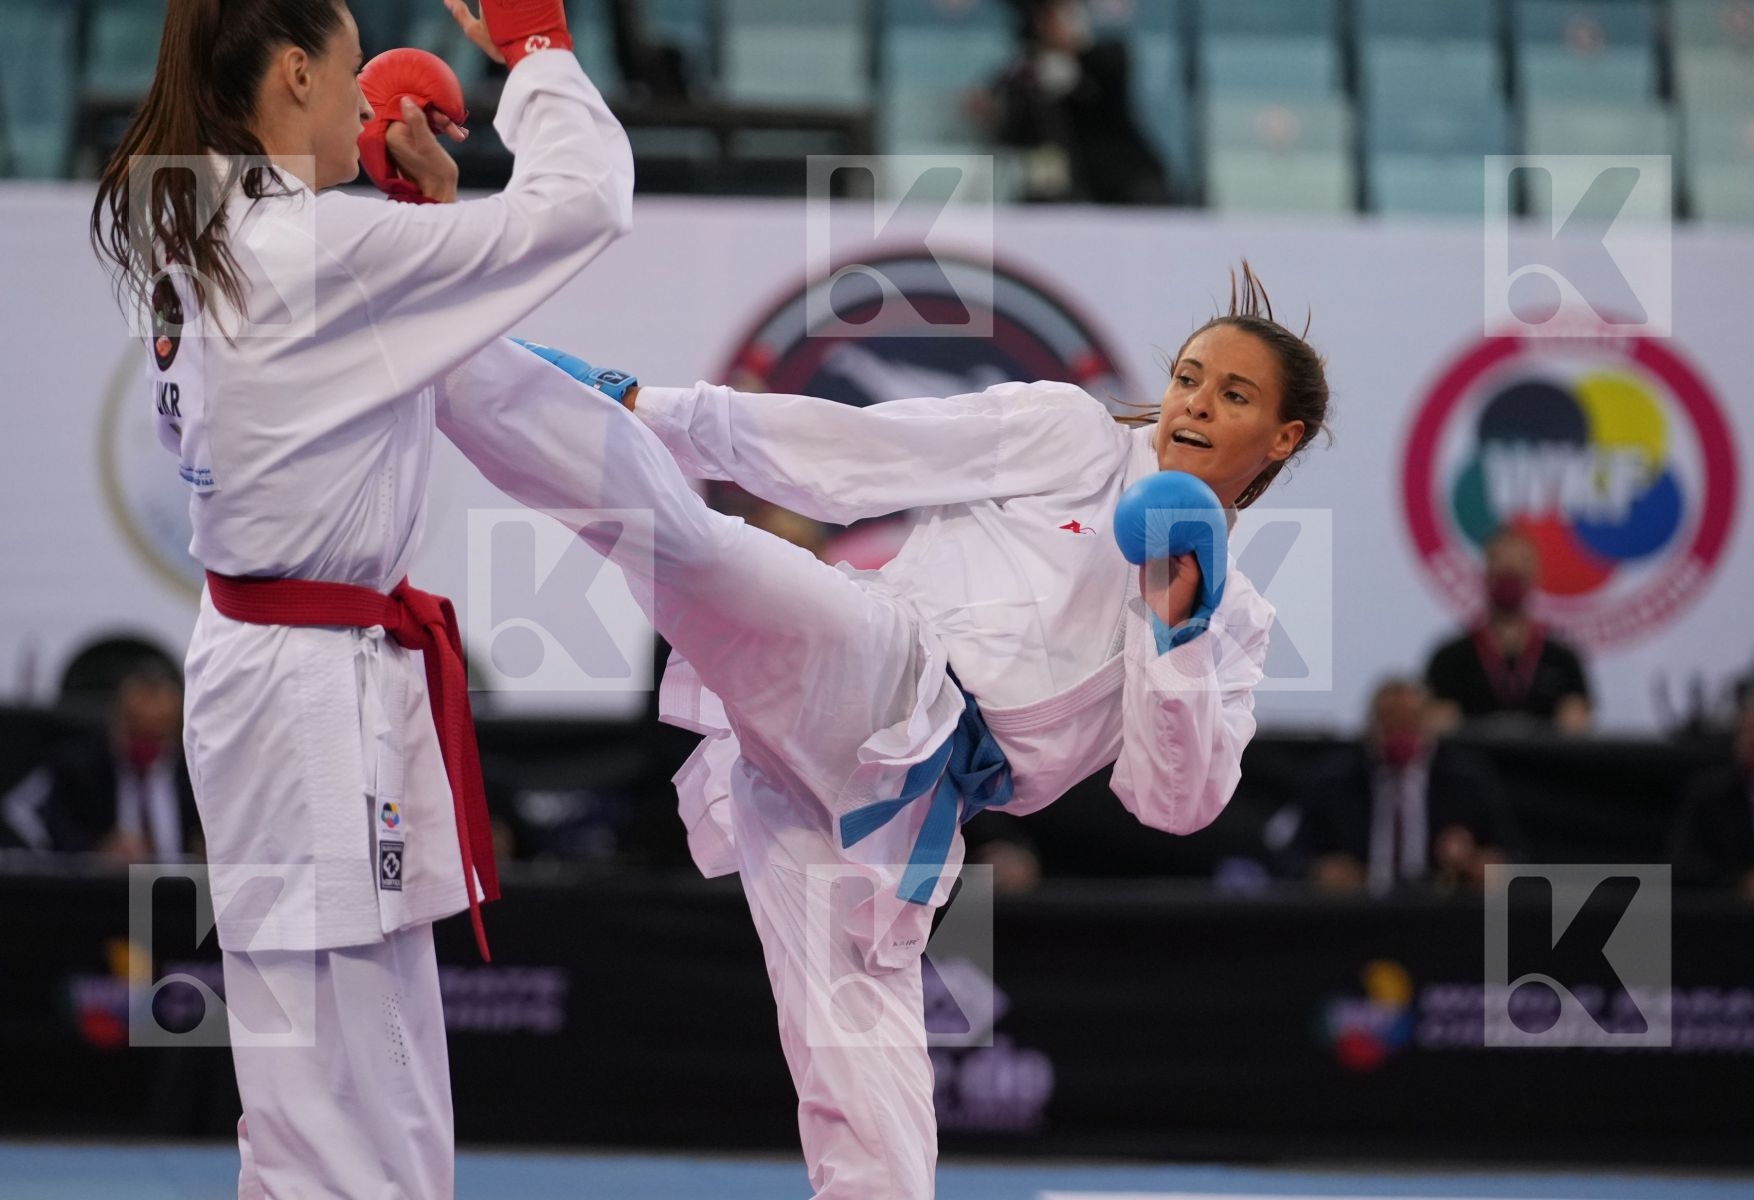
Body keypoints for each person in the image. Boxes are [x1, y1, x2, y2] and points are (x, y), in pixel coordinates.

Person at [432, 262, 1329, 1198]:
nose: (1194, 404)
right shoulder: (1076, 437)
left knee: (869, 1096)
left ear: (1282, 436)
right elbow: (861, 448)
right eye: (1188, 377)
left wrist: (1174, 634)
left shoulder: (1233, 622)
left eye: (1233, 395)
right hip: (887, 667)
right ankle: (450, 363)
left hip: (895, 815)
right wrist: (655, 406)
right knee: (688, 544)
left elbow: (1174, 802)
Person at [88, 0, 633, 1193]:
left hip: (288, 670)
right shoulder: (309, 249)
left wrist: (400, 205)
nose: (360, 100)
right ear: (291, 75)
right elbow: (585, 204)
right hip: (308, 692)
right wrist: (536, 51)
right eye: (343, 78)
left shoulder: (193, 217)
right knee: (342, 1086)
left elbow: (360, 337)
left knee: (341, 1071)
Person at [1288, 678, 1523, 896]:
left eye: (1410, 721)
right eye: (1390, 721)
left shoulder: (1467, 779)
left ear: (1428, 723)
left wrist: (1479, 863)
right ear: (1371, 725)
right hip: (1358, 911)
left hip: (1443, 910)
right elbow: (1290, 857)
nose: (1400, 732)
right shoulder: (1334, 780)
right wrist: (1320, 871)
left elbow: (1514, 852)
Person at [981, 0, 1169, 204]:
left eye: (1069, 13)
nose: (1062, 22)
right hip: (1056, 187)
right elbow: (1011, 130)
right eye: (1051, 16)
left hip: (1124, 185)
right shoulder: (1024, 74)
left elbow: (1104, 92)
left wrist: (1075, 52)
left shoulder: (1107, 57)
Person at [1424, 528, 1594, 734]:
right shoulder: (1450, 658)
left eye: (1517, 571)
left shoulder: (1562, 659)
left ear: (1535, 577)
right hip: (1471, 764)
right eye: (1502, 569)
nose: (1509, 576)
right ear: (1485, 574)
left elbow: (1578, 726)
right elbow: (1437, 728)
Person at [42, 658, 202, 861]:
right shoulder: (78, 770)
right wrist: (99, 853)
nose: (147, 742)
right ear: (116, 718)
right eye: (136, 726)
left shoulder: (197, 775)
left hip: (185, 889)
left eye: (158, 731)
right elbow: (58, 841)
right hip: (105, 889)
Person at [1670, 683, 1754, 900]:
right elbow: (1682, 869)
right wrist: (1743, 883)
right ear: (1739, 743)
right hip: (1735, 920)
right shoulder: (1711, 796)